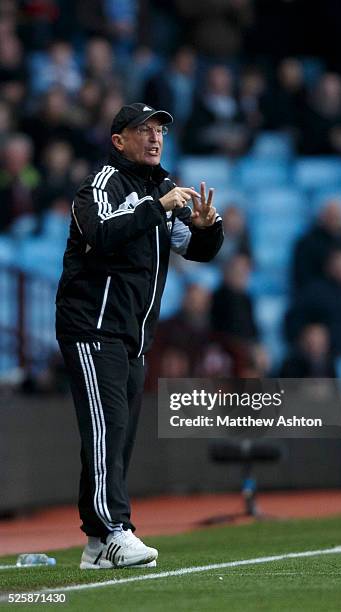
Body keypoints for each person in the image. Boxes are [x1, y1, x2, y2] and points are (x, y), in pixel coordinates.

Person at [55, 102, 223, 570]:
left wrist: (209, 230)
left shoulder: (164, 188)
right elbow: (100, 232)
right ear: (118, 141)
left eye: (159, 131)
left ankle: (95, 546)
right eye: (142, 130)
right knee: (107, 428)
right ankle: (114, 529)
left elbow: (194, 250)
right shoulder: (102, 185)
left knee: (117, 436)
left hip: (132, 335)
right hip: (93, 326)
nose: (154, 138)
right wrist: (157, 207)